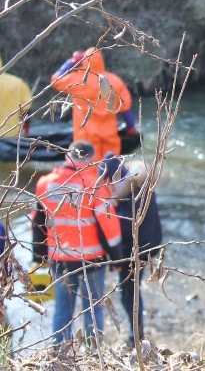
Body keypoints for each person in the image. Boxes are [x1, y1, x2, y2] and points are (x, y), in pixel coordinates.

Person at [31, 141, 123, 346]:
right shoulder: (94, 186)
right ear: (90, 159)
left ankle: (58, 353)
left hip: (59, 259)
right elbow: (110, 227)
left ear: (68, 157)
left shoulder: (45, 183)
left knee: (63, 308)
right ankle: (94, 353)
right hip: (92, 259)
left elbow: (37, 223)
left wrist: (38, 257)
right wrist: (118, 258)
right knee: (93, 307)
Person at [99, 155, 163, 347]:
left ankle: (136, 335)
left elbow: (123, 229)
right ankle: (137, 332)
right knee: (132, 290)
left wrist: (117, 260)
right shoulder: (140, 182)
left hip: (137, 250)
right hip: (150, 243)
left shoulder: (130, 197)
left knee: (129, 293)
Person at [50, 47, 137, 161]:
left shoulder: (78, 80)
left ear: (84, 61)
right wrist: (131, 128)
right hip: (109, 135)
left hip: (85, 136)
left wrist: (71, 61)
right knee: (111, 169)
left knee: (87, 170)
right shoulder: (114, 81)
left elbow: (55, 80)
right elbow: (126, 109)